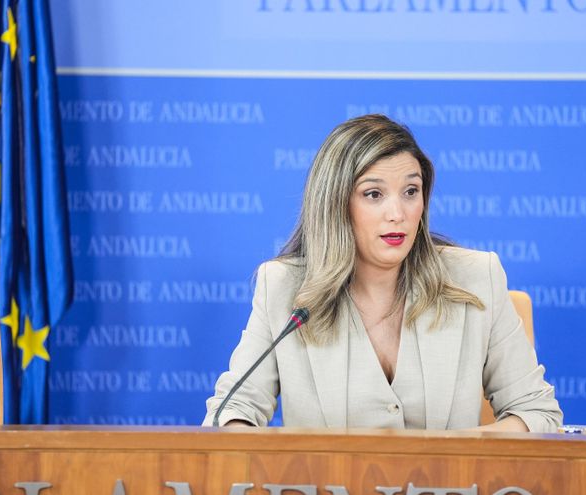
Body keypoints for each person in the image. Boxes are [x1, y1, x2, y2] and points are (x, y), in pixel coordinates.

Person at [203, 114, 562, 432]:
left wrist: (454, 451)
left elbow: (536, 412)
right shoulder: (284, 289)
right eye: (374, 194)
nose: (398, 212)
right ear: (335, 204)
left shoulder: (475, 278)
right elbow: (232, 410)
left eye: (411, 191)